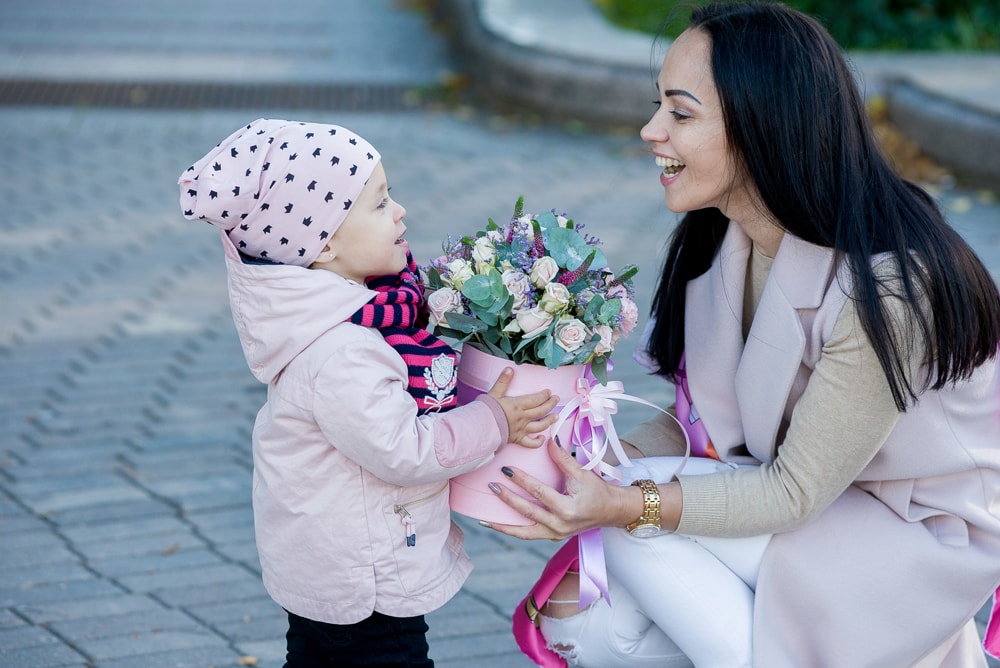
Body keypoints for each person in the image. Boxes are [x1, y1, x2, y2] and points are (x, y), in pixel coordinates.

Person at [484, 3, 1000, 667]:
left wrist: (617, 502)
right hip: (814, 513)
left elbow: (792, 491)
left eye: (680, 113)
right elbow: (695, 420)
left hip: (910, 541)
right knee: (580, 629)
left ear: (763, 126)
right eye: (658, 108)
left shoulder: (891, 289)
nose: (650, 131)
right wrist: (565, 470)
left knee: (631, 531)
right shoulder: (727, 238)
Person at [178, 118, 560, 668]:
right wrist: (494, 420)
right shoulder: (342, 351)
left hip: (345, 564)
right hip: (364, 583)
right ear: (325, 243)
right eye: (379, 203)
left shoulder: (361, 311)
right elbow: (406, 450)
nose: (400, 210)